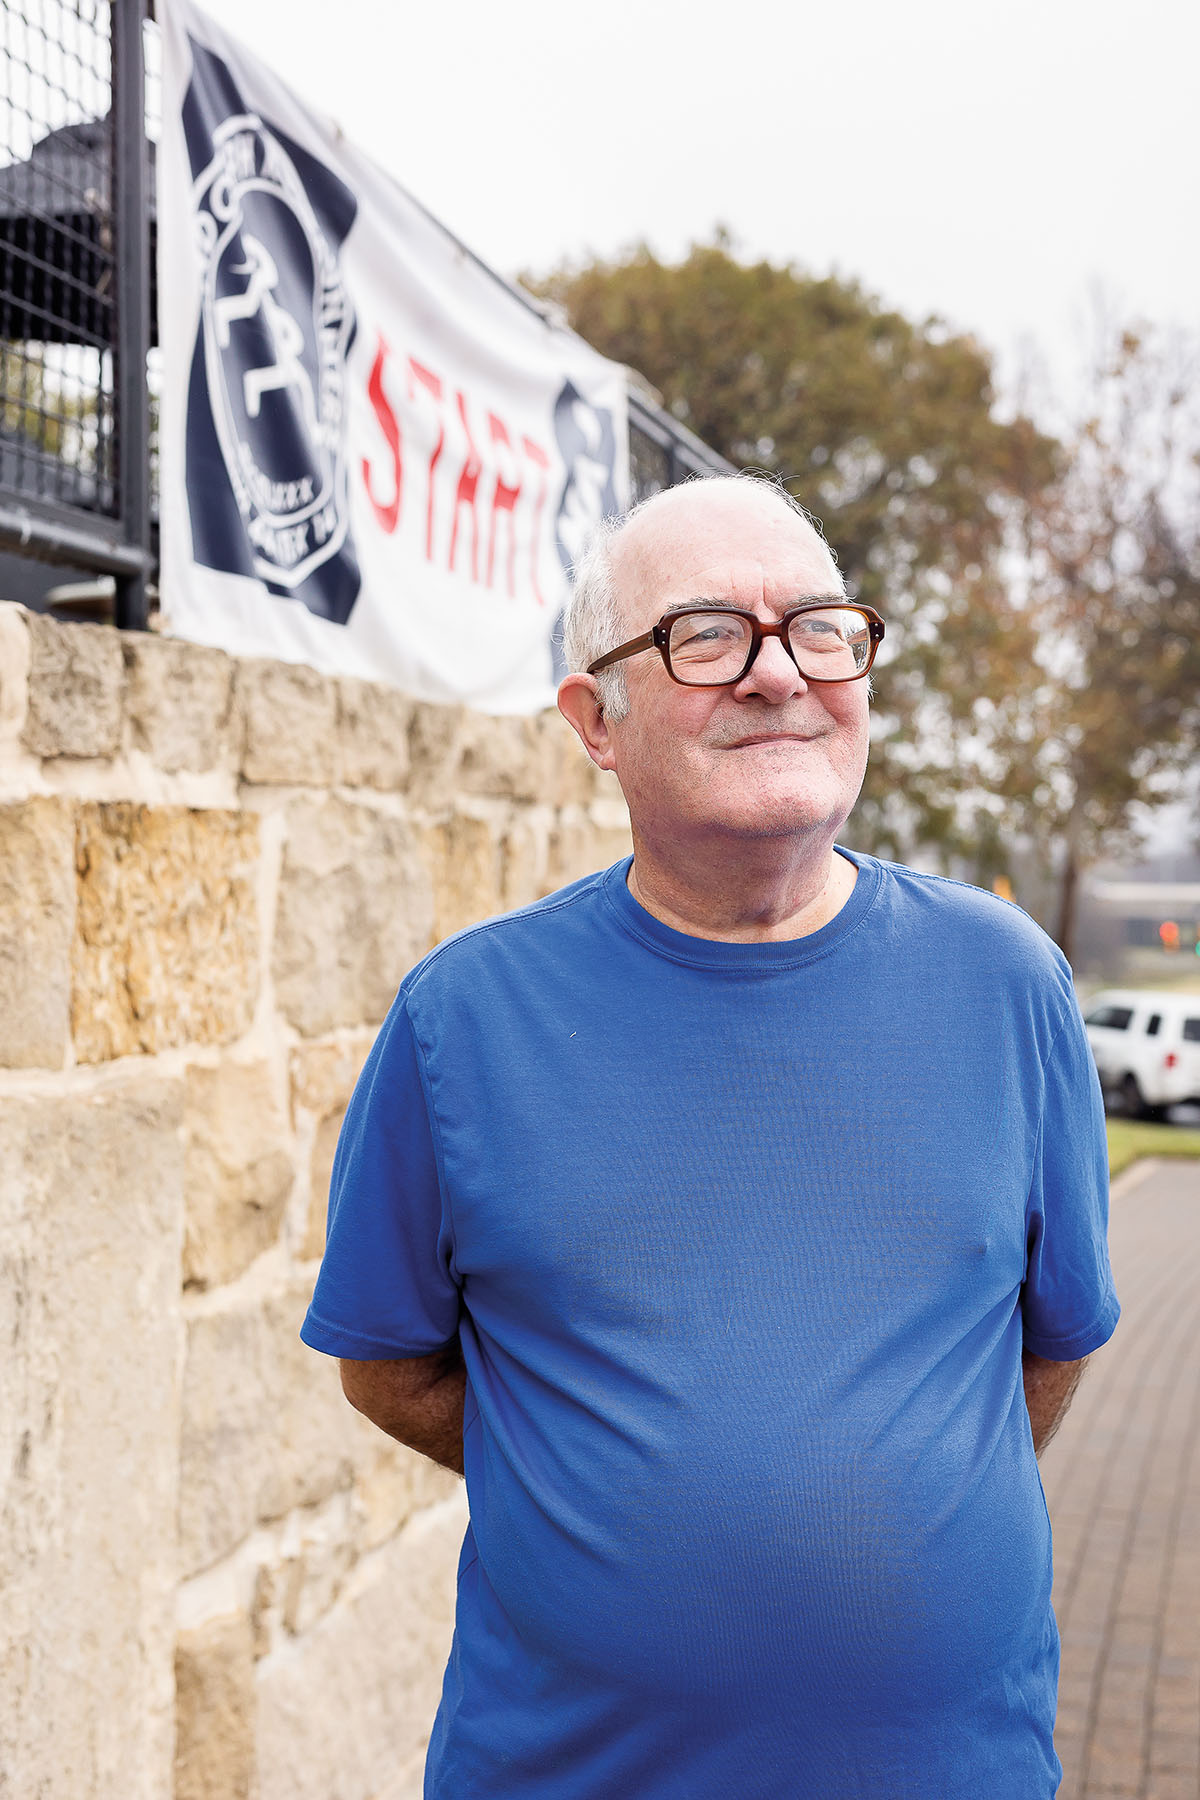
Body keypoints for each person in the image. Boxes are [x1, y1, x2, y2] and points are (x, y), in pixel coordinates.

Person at [301, 474, 1119, 1799]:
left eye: (817, 628)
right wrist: (593, 1472)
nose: (778, 674)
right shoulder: (465, 1020)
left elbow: (1046, 1345)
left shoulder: (1009, 982)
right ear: (596, 721)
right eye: (707, 637)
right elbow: (390, 1372)